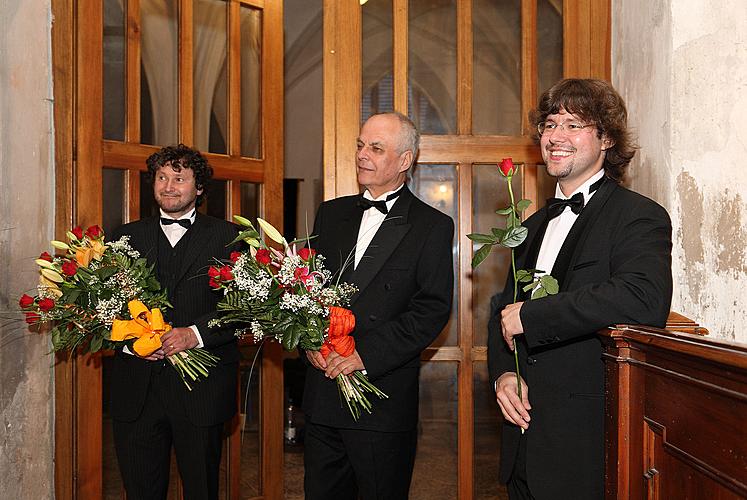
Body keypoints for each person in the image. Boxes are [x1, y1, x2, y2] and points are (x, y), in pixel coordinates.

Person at [487, 79, 673, 499]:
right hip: (523, 443)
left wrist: (531, 318)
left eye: (572, 124)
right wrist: (503, 375)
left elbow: (644, 299)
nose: (555, 136)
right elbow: (501, 311)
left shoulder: (638, 216)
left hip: (583, 447)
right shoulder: (532, 226)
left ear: (606, 138)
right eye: (550, 124)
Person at [302, 112, 454, 500]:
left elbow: (430, 310)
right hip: (322, 396)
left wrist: (363, 356)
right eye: (359, 145)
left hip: (379, 399)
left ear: (405, 161)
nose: (362, 155)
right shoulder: (330, 213)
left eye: (375, 147)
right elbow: (306, 290)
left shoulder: (432, 226)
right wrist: (306, 338)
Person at [110, 144, 240, 500]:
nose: (168, 186)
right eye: (162, 177)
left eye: (179, 179)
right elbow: (102, 309)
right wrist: (131, 343)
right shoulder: (123, 238)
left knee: (201, 490)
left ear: (198, 188)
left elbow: (243, 310)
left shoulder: (230, 239)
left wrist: (195, 334)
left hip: (202, 392)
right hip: (136, 391)